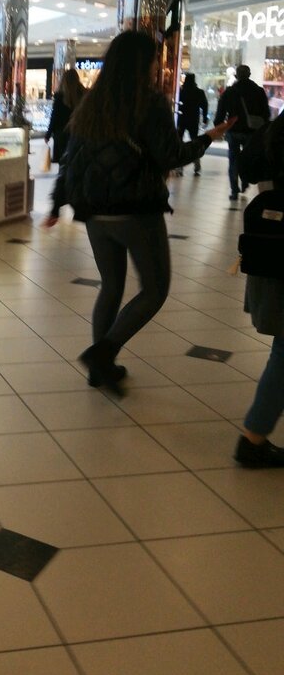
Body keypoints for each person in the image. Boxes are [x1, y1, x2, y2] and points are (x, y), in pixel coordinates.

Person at [46, 30, 234, 394]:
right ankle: (103, 355)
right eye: (153, 60)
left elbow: (69, 159)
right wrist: (208, 137)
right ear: (142, 63)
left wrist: (56, 203)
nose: (156, 67)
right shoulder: (149, 102)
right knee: (155, 290)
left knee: (111, 287)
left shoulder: (92, 102)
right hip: (136, 211)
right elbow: (170, 157)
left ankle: (100, 370)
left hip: (95, 213)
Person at [234, 114, 284, 467]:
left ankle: (254, 437)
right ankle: (253, 439)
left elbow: (247, 165)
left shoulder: (276, 127)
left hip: (272, 245)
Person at [214, 63, 270, 200]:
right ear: (249, 74)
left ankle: (234, 190)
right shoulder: (258, 91)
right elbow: (266, 113)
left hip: (233, 130)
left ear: (237, 75)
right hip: (252, 131)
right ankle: (245, 181)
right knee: (247, 157)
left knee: (233, 159)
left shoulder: (230, 92)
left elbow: (221, 111)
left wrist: (219, 126)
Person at [45, 67, 86, 163]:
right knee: (75, 160)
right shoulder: (83, 95)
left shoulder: (60, 98)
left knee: (62, 162)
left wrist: (48, 134)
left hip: (61, 134)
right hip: (77, 134)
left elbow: (54, 117)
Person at [176, 72, 209, 175]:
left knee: (179, 141)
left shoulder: (181, 91)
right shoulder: (199, 92)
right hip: (193, 119)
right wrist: (204, 118)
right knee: (195, 141)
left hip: (181, 119)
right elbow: (204, 105)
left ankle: (179, 167)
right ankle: (197, 165)